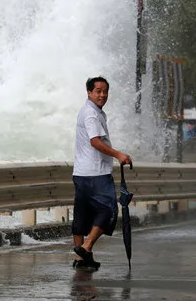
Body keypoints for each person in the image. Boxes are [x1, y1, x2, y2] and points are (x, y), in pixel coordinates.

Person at [72, 76, 132, 270]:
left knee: (82, 214)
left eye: (105, 91)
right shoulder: (91, 114)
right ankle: (87, 247)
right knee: (108, 210)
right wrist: (118, 155)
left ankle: (81, 259)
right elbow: (95, 141)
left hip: (81, 172)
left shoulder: (90, 111)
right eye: (98, 91)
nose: (102, 95)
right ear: (89, 92)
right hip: (96, 173)